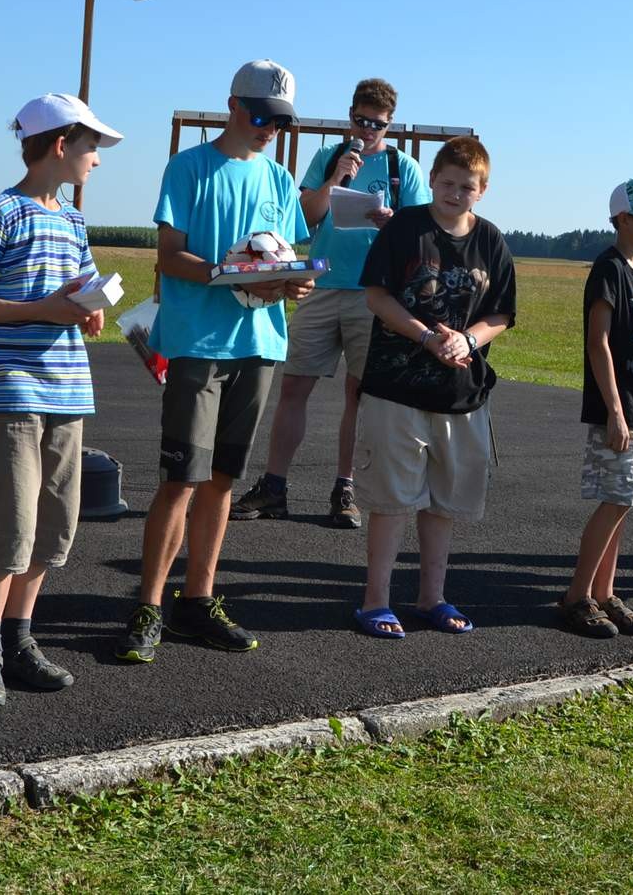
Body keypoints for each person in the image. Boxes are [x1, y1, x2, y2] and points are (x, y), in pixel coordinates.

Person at [116, 60, 312, 664]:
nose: (269, 129)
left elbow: (286, 255)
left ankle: (196, 602)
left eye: (280, 122)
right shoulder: (189, 167)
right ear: (233, 105)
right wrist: (233, 276)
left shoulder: (279, 179)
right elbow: (169, 256)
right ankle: (148, 607)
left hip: (261, 343)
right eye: (261, 116)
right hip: (199, 343)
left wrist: (293, 282)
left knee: (223, 479)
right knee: (181, 479)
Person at [0, 94, 121, 709]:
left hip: (68, 388)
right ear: (60, 145)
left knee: (54, 523)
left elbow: (78, 287)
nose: (97, 159)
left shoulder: (73, 220)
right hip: (12, 387)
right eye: (91, 147)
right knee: (13, 522)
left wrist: (89, 307)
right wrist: (44, 310)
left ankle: (20, 639)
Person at [234, 78, 430, 530]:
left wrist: (391, 223)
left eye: (377, 124)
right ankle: (274, 485)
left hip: (374, 293)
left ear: (390, 124)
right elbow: (305, 216)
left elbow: (421, 235)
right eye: (361, 121)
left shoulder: (403, 167)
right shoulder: (328, 156)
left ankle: (345, 488)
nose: (368, 131)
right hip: (321, 284)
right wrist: (335, 178)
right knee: (294, 386)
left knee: (358, 394)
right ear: (350, 116)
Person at [349, 137, 514, 638]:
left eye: (466, 187)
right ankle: (375, 601)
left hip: (460, 394)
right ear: (432, 180)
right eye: (447, 183)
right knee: (392, 501)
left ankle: (431, 598)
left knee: (445, 503)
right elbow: (377, 296)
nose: (454, 193)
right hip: (396, 388)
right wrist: (425, 336)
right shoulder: (406, 227)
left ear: (482, 190)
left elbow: (501, 314)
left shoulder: (491, 240)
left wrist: (467, 339)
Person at [557, 179, 633, 639]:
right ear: (624, 220)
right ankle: (576, 596)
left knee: (626, 501)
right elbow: (599, 343)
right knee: (615, 500)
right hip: (623, 407)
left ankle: (605, 593)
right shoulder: (608, 270)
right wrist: (614, 410)